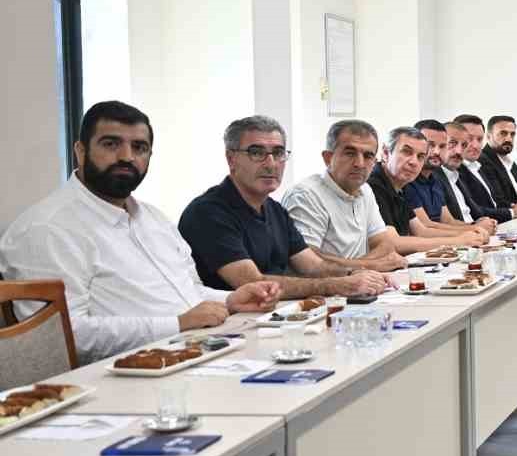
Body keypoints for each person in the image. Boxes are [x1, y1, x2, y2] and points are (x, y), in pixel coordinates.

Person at [0, 101, 278, 363]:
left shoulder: (153, 219)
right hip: (120, 377)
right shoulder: (47, 229)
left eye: (139, 147)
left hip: (196, 352)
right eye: (111, 144)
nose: (126, 157)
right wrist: (177, 324)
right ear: (81, 151)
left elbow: (187, 292)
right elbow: (63, 335)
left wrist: (230, 299)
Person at [179, 115, 390, 299]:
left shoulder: (274, 209)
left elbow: (313, 265)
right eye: (256, 152)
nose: (271, 163)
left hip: (275, 316)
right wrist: (338, 285)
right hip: (226, 324)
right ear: (231, 159)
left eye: (278, 153)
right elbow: (252, 283)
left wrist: (354, 274)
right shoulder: (208, 212)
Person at [282, 120, 409, 271]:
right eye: (350, 153)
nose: (360, 164)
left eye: (368, 156)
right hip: (325, 285)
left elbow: (384, 244)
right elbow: (307, 260)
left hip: (361, 280)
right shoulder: (305, 195)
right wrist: (370, 265)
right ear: (328, 158)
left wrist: (359, 268)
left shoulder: (365, 190)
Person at [366, 126, 490, 252]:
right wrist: (458, 241)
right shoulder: (374, 184)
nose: (414, 162)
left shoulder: (402, 184)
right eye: (407, 152)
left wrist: (470, 233)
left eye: (420, 156)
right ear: (386, 153)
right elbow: (391, 243)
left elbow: (420, 231)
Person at [406, 120, 496, 240]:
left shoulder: (435, 179)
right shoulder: (408, 179)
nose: (437, 151)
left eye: (442, 146)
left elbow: (448, 221)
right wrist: (474, 229)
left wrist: (475, 227)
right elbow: (425, 227)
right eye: (430, 145)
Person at [452, 113, 517, 223]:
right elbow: (474, 211)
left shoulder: (478, 166)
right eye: (469, 139)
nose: (476, 145)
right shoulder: (455, 170)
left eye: (479, 139)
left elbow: (495, 202)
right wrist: (513, 212)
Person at [477, 114, 517, 207]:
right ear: (488, 136)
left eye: (512, 134)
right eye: (503, 133)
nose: (509, 139)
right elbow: (499, 202)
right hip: (508, 215)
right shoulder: (482, 161)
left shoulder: (510, 162)